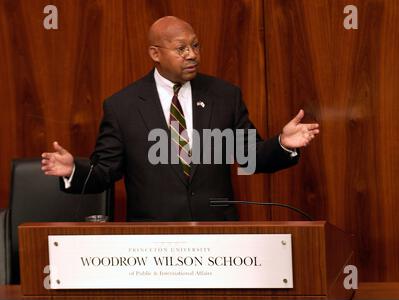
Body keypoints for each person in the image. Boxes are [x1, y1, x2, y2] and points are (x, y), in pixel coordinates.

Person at [41, 16, 319, 221]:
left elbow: (250, 157)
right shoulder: (122, 106)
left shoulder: (224, 96)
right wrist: (73, 171)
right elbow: (106, 171)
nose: (192, 55)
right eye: (181, 48)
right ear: (155, 54)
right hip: (152, 239)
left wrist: (283, 143)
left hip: (218, 235)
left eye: (196, 46)